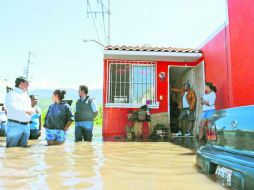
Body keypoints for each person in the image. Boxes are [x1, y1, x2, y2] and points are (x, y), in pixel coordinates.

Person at [4, 76, 34, 147]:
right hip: (15, 126)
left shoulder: (26, 96)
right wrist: (26, 110)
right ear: (21, 83)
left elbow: (29, 110)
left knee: (22, 151)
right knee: (11, 151)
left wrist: (32, 111)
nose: (28, 85)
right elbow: (10, 108)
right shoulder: (11, 94)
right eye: (27, 83)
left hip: (26, 126)